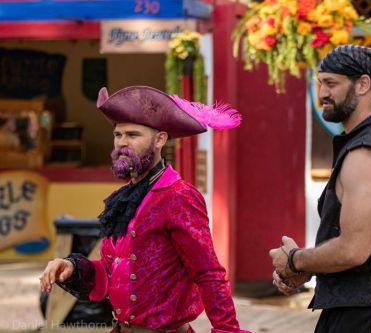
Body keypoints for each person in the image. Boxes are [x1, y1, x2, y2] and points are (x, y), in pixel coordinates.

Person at [39, 86, 251, 333]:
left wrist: (227, 329)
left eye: (132, 135)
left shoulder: (178, 196)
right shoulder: (122, 199)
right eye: (117, 135)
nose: (122, 143)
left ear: (160, 139)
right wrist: (74, 267)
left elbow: (209, 273)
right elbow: (115, 273)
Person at [269, 45, 371, 333]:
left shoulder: (367, 152)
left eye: (331, 83)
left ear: (363, 84)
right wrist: (305, 267)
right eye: (319, 83)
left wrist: (294, 260)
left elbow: (353, 250)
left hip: (365, 319)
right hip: (357, 313)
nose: (322, 93)